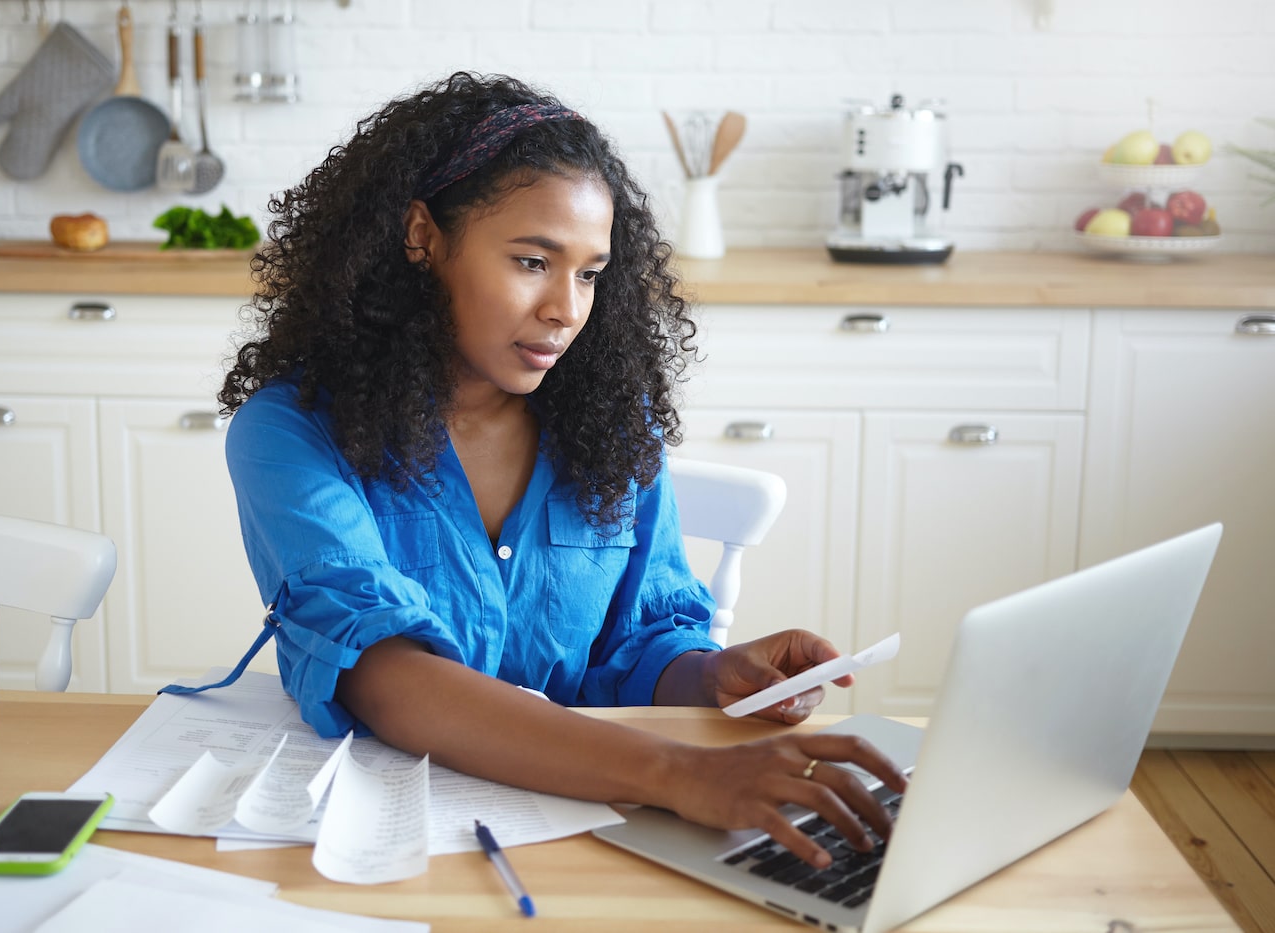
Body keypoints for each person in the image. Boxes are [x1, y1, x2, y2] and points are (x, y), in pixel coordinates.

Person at [217, 71, 906, 868]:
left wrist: (715, 675)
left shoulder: (611, 427)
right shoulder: (292, 431)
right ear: (422, 236)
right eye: (533, 261)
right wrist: (682, 773)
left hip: (598, 833)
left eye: (588, 273)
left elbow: (640, 645)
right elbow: (386, 676)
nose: (566, 309)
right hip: (388, 846)